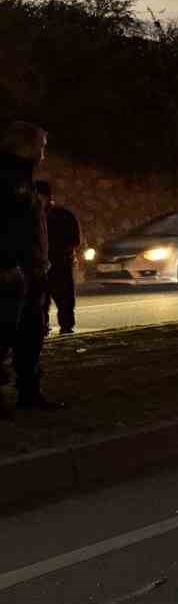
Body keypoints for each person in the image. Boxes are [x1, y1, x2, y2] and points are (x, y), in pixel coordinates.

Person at [0, 122, 55, 411]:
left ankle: (29, 392)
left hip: (30, 270)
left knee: (31, 334)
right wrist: (7, 263)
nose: (44, 154)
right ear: (24, 145)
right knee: (5, 334)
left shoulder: (23, 177)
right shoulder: (8, 178)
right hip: (12, 272)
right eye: (42, 147)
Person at [35, 181, 80, 336]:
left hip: (59, 264)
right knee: (40, 303)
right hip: (39, 266)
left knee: (64, 301)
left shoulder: (62, 215)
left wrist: (64, 255)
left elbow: (74, 240)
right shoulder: (31, 216)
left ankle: (66, 329)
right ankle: (43, 329)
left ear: (46, 197)